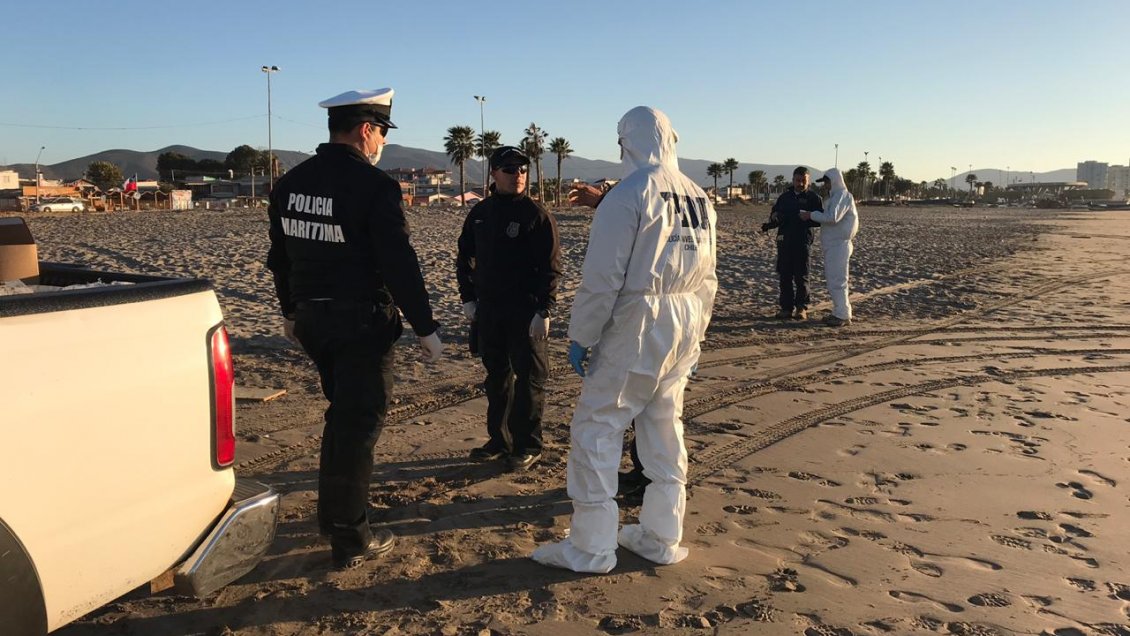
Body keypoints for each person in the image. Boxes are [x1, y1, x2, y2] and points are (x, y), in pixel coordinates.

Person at [532, 106, 718, 573]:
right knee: (662, 423)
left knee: (598, 426)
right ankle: (660, 534)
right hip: (685, 315)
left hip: (640, 317)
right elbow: (709, 279)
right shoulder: (698, 196)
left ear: (629, 142)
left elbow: (602, 279)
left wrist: (582, 335)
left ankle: (591, 546)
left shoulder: (628, 195)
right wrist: (696, 338)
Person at [266, 87, 444, 570]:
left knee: (341, 417)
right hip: (359, 322)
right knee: (358, 425)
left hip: (312, 321)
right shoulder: (374, 186)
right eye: (382, 132)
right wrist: (425, 327)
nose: (383, 142)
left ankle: (334, 516)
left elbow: (281, 259)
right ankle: (351, 535)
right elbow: (398, 264)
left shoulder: (291, 182)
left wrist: (289, 311)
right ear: (366, 130)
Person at [456, 145, 562, 471]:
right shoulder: (480, 213)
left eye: (522, 169)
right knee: (497, 379)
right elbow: (465, 257)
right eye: (509, 169)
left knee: (530, 380)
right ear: (494, 174)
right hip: (489, 311)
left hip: (525, 312)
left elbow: (551, 268)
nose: (517, 175)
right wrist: (468, 298)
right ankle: (499, 441)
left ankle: (529, 445)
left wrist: (544, 310)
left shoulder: (536, 215)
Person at [762, 166, 822, 320]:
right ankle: (786, 308)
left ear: (808, 181)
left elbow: (821, 220)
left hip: (803, 242)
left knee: (802, 276)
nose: (800, 183)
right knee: (785, 276)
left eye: (803, 181)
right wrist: (774, 218)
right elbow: (774, 215)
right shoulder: (784, 197)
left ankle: (801, 308)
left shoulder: (814, 198)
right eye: (798, 180)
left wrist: (809, 217)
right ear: (793, 180)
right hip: (784, 242)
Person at [801, 168, 859, 327]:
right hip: (834, 244)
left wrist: (810, 215)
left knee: (837, 280)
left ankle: (842, 314)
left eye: (826, 182)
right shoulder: (835, 197)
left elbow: (832, 217)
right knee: (835, 279)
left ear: (833, 181)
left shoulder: (842, 196)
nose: (825, 185)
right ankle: (840, 311)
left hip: (839, 245)